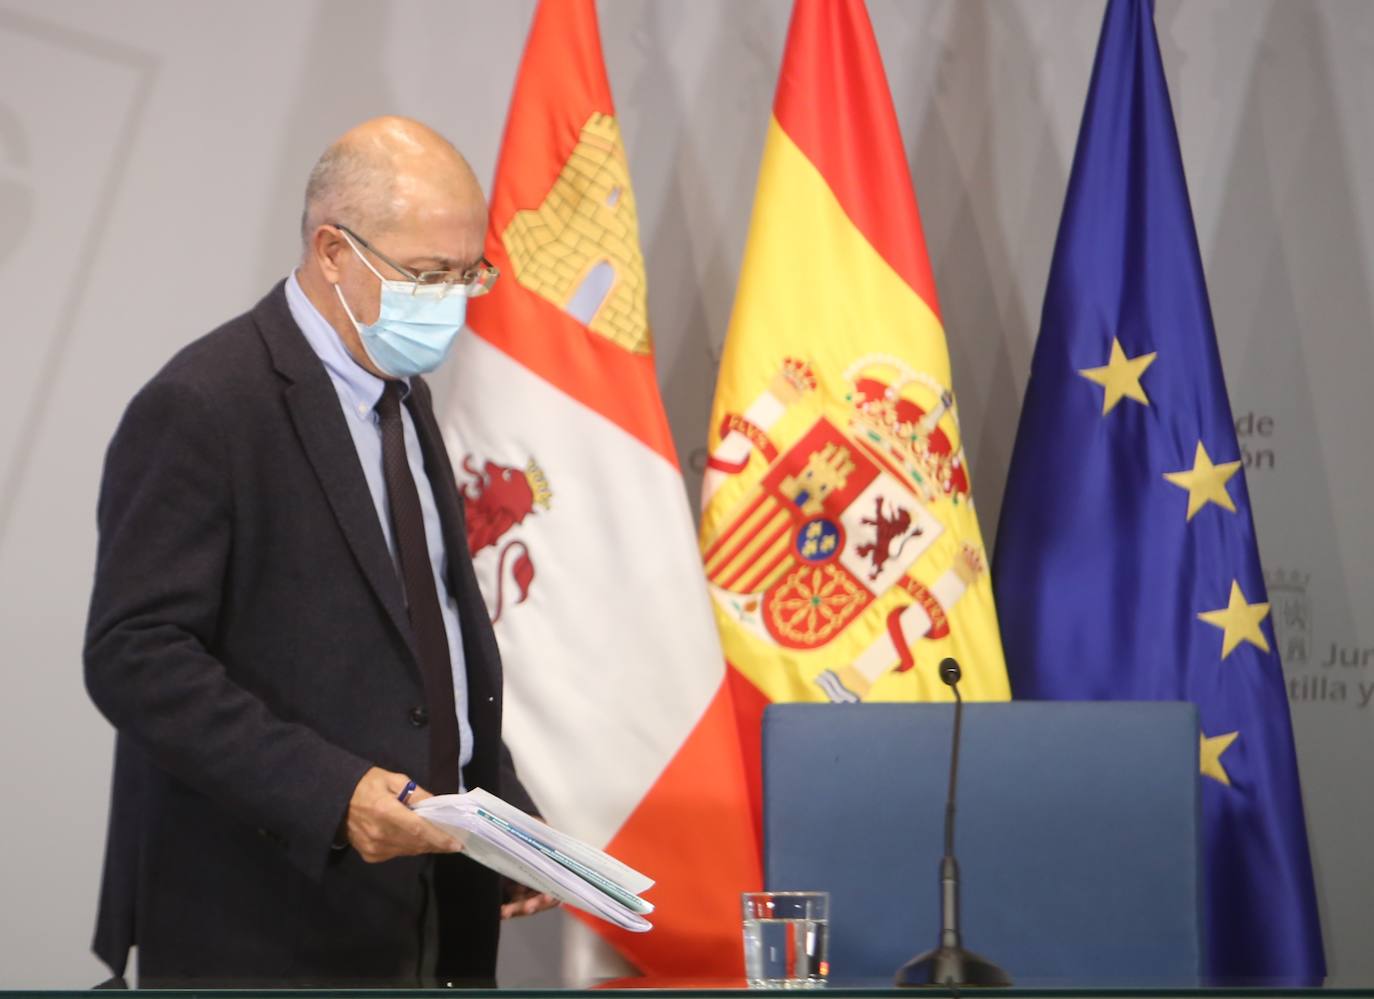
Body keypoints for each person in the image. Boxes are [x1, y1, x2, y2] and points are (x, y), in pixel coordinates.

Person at [84, 116, 555, 987]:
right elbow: (134, 655)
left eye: (467, 274)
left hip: (422, 912)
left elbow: (430, 626)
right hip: (262, 915)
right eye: (426, 275)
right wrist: (330, 795)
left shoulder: (401, 395)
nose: (450, 301)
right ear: (332, 250)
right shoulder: (204, 403)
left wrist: (495, 797)